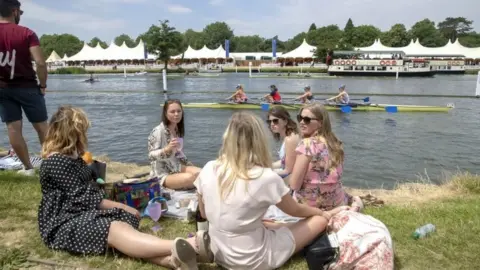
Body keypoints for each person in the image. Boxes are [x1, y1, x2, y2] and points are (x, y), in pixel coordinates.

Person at [38, 105, 213, 269]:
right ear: (72, 133)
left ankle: (174, 261)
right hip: (63, 221)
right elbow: (84, 197)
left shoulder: (70, 157)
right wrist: (123, 205)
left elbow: (89, 190)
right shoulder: (56, 162)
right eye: (82, 131)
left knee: (122, 227)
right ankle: (190, 245)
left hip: (81, 212)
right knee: (115, 229)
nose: (85, 134)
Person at [194, 111, 349, 270]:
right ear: (259, 140)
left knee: (263, 221)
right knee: (319, 221)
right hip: (252, 259)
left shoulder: (208, 167)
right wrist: (320, 213)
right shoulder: (265, 177)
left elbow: (204, 214)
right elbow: (295, 210)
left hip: (218, 250)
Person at [0, 0, 48, 176]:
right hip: (27, 86)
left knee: (13, 128)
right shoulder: (27, 33)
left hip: (3, 89)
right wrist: (43, 85)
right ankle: (50, 165)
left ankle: (28, 167)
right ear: (14, 11)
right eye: (21, 12)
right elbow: (41, 63)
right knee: (42, 127)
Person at [289, 103, 364, 211]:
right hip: (336, 201)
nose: (301, 122)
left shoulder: (306, 144)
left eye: (307, 119)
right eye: (300, 118)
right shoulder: (335, 143)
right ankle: (353, 205)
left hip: (310, 206)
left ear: (320, 123)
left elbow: (295, 185)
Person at [148, 99, 202, 190]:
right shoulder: (158, 131)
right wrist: (167, 149)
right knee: (191, 178)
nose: (176, 114)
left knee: (203, 173)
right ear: (165, 113)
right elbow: (151, 156)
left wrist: (189, 165)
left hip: (176, 167)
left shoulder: (177, 129)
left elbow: (178, 153)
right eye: (172, 112)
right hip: (162, 174)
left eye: (179, 111)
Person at [267, 106, 300, 181]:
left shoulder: (290, 139)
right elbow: (284, 161)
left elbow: (288, 170)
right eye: (269, 121)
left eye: (275, 121)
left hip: (291, 179)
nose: (272, 124)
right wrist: (267, 165)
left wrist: (265, 174)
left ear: (285, 121)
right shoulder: (288, 136)